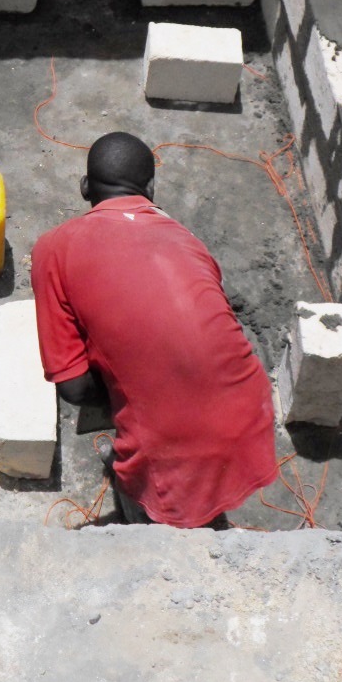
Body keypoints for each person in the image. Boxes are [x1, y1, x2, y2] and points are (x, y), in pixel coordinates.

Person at [30, 131, 277, 529]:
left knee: (173, 538)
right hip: (252, 411)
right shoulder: (187, 239)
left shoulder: (54, 248)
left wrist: (126, 386)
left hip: (173, 444)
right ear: (150, 189)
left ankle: (153, 518)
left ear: (84, 187)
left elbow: (73, 388)